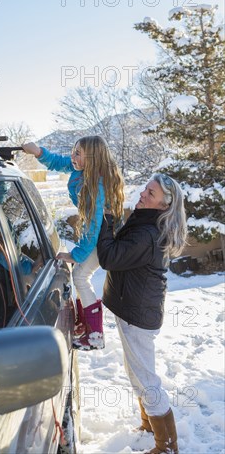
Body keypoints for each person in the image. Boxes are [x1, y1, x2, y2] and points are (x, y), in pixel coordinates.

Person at [97, 172, 187, 454]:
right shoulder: (147, 221)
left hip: (138, 315)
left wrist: (108, 219)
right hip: (134, 310)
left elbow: (109, 257)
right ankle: (149, 425)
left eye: (151, 194)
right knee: (137, 374)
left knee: (147, 380)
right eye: (145, 189)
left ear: (163, 206)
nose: (142, 195)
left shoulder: (148, 234)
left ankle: (167, 445)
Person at [22, 136, 124, 349]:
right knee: (80, 275)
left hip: (103, 236)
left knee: (80, 275)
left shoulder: (96, 186)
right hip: (95, 233)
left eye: (78, 153)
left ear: (93, 158)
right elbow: (59, 162)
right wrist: (38, 152)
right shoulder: (82, 169)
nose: (72, 156)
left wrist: (76, 254)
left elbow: (94, 225)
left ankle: (95, 335)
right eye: (73, 151)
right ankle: (86, 325)